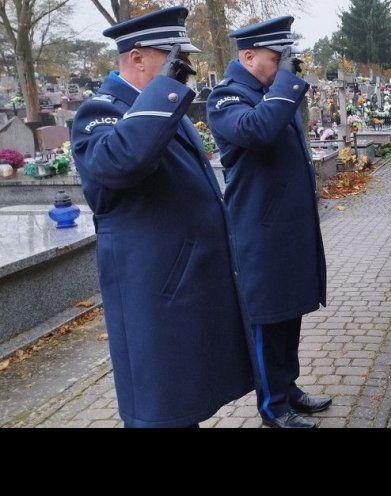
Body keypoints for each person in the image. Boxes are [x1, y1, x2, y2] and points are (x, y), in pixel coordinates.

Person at [70, 7, 253, 428]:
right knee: (161, 409)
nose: (184, 69)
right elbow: (117, 163)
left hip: (185, 281)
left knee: (185, 399)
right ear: (136, 57)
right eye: (175, 59)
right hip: (154, 291)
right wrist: (165, 91)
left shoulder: (159, 104)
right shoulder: (100, 110)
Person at [207, 16, 330, 429]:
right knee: (267, 320)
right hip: (258, 232)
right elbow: (257, 131)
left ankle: (287, 388)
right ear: (247, 56)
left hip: (287, 228)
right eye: (276, 58)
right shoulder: (227, 97)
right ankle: (272, 407)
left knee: (289, 314)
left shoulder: (269, 92)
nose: (283, 66)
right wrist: (286, 84)